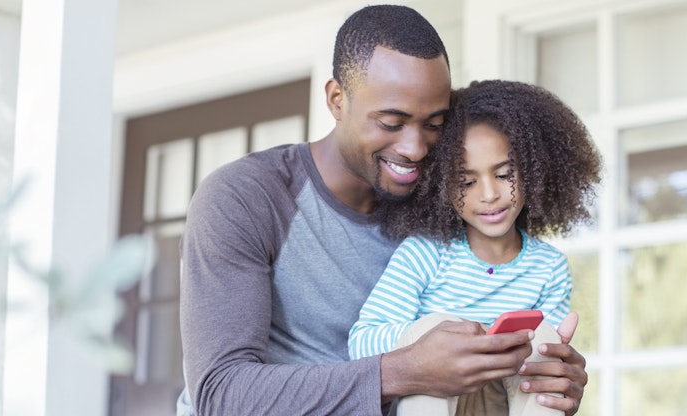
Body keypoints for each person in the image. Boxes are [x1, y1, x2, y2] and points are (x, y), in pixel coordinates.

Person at [177, 5, 588, 415]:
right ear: (338, 99)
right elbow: (220, 394)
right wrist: (403, 371)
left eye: (434, 123)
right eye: (392, 122)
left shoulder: (444, 207)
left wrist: (543, 378)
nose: (415, 148)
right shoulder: (246, 197)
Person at [348, 80, 602, 416]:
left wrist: (553, 351)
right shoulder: (426, 253)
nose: (488, 194)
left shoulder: (548, 267)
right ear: (441, 185)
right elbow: (362, 342)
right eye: (466, 181)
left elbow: (546, 381)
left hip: (504, 399)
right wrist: (445, 340)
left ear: (534, 171)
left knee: (542, 339)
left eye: (504, 174)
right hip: (434, 398)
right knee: (433, 326)